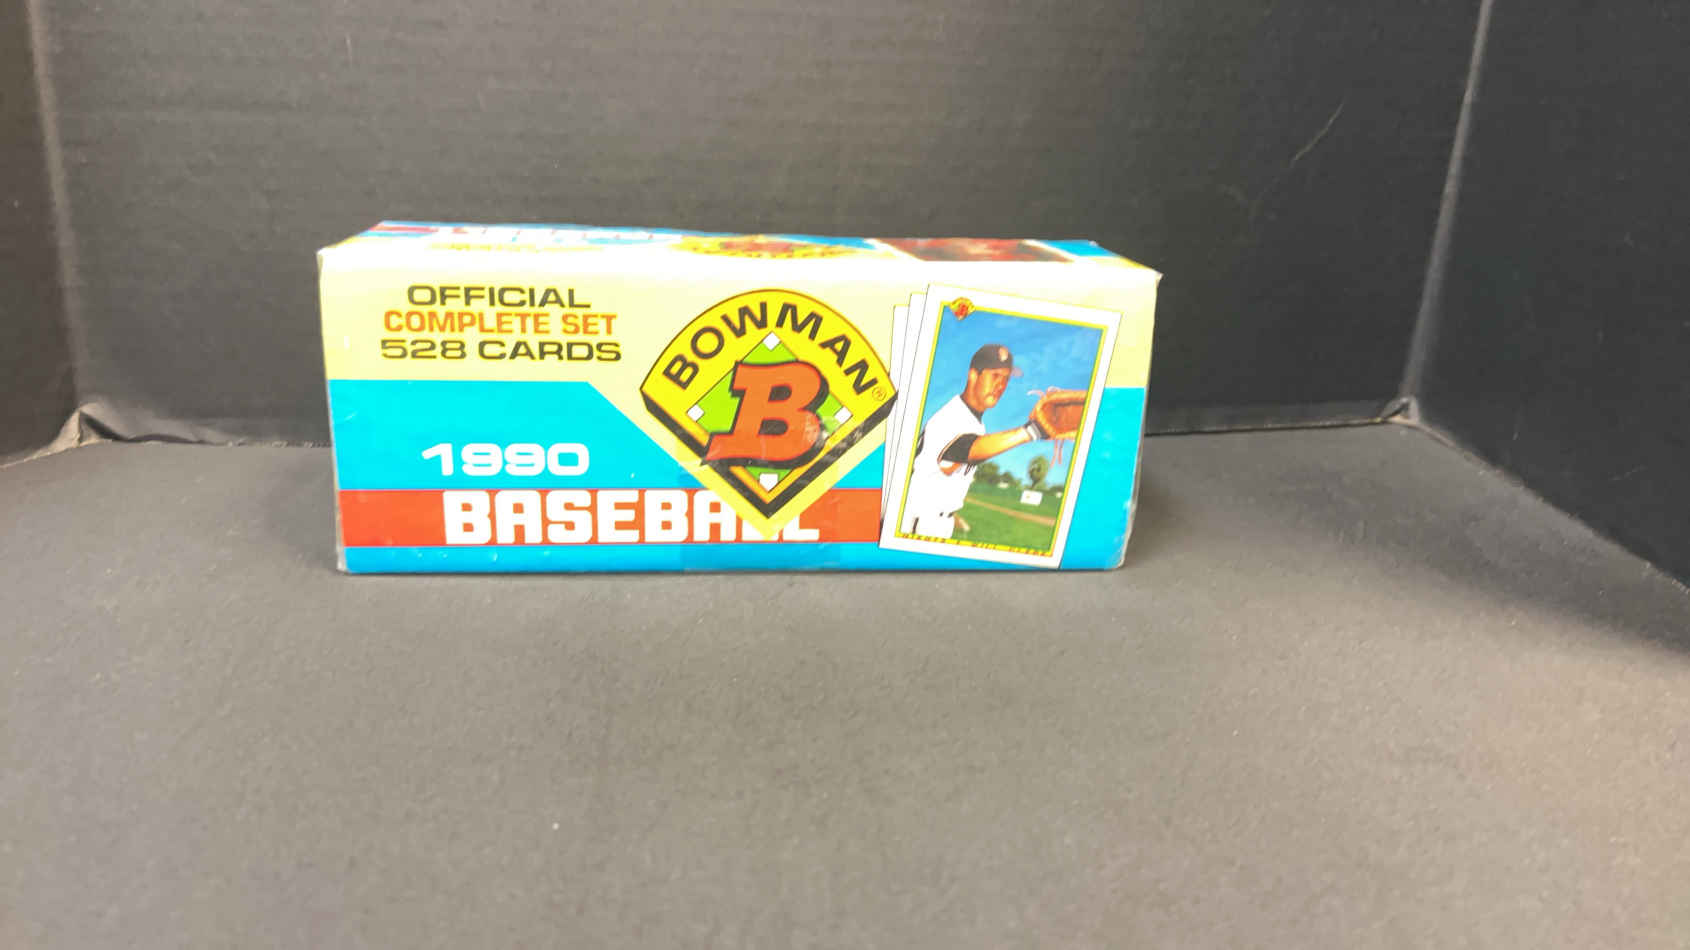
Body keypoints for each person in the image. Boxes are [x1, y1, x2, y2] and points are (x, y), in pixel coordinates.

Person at [897, 343, 1054, 539]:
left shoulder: (975, 423)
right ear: (973, 375)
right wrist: (1033, 431)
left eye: (1006, 379)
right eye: (995, 376)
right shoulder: (951, 416)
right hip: (917, 522)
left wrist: (951, 513)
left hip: (934, 521)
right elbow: (969, 449)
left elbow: (946, 474)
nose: (1001, 385)